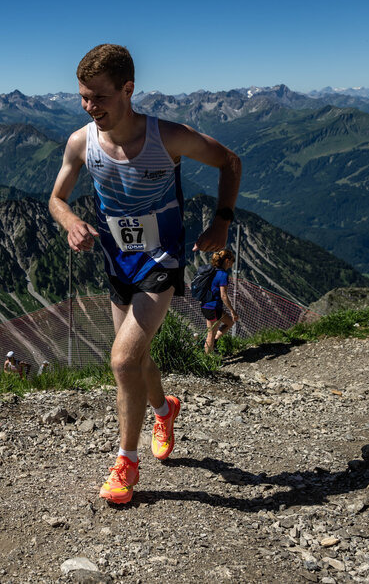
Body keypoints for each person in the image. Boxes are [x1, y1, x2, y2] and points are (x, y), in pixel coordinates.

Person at [49, 44, 241, 504]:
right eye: (82, 97)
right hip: (118, 261)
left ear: (127, 90)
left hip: (162, 259)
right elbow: (56, 198)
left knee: (121, 361)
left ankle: (126, 464)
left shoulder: (168, 137)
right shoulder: (81, 143)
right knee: (137, 358)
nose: (89, 107)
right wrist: (71, 221)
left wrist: (221, 220)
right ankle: (164, 408)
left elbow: (230, 162)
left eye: (98, 97)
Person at [202, 249, 239, 354]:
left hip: (207, 305)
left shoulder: (212, 271)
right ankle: (207, 359)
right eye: (232, 261)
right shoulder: (223, 275)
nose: (232, 264)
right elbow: (223, 295)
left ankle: (214, 343)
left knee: (229, 322)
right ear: (227, 260)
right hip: (212, 307)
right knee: (211, 334)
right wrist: (232, 311)